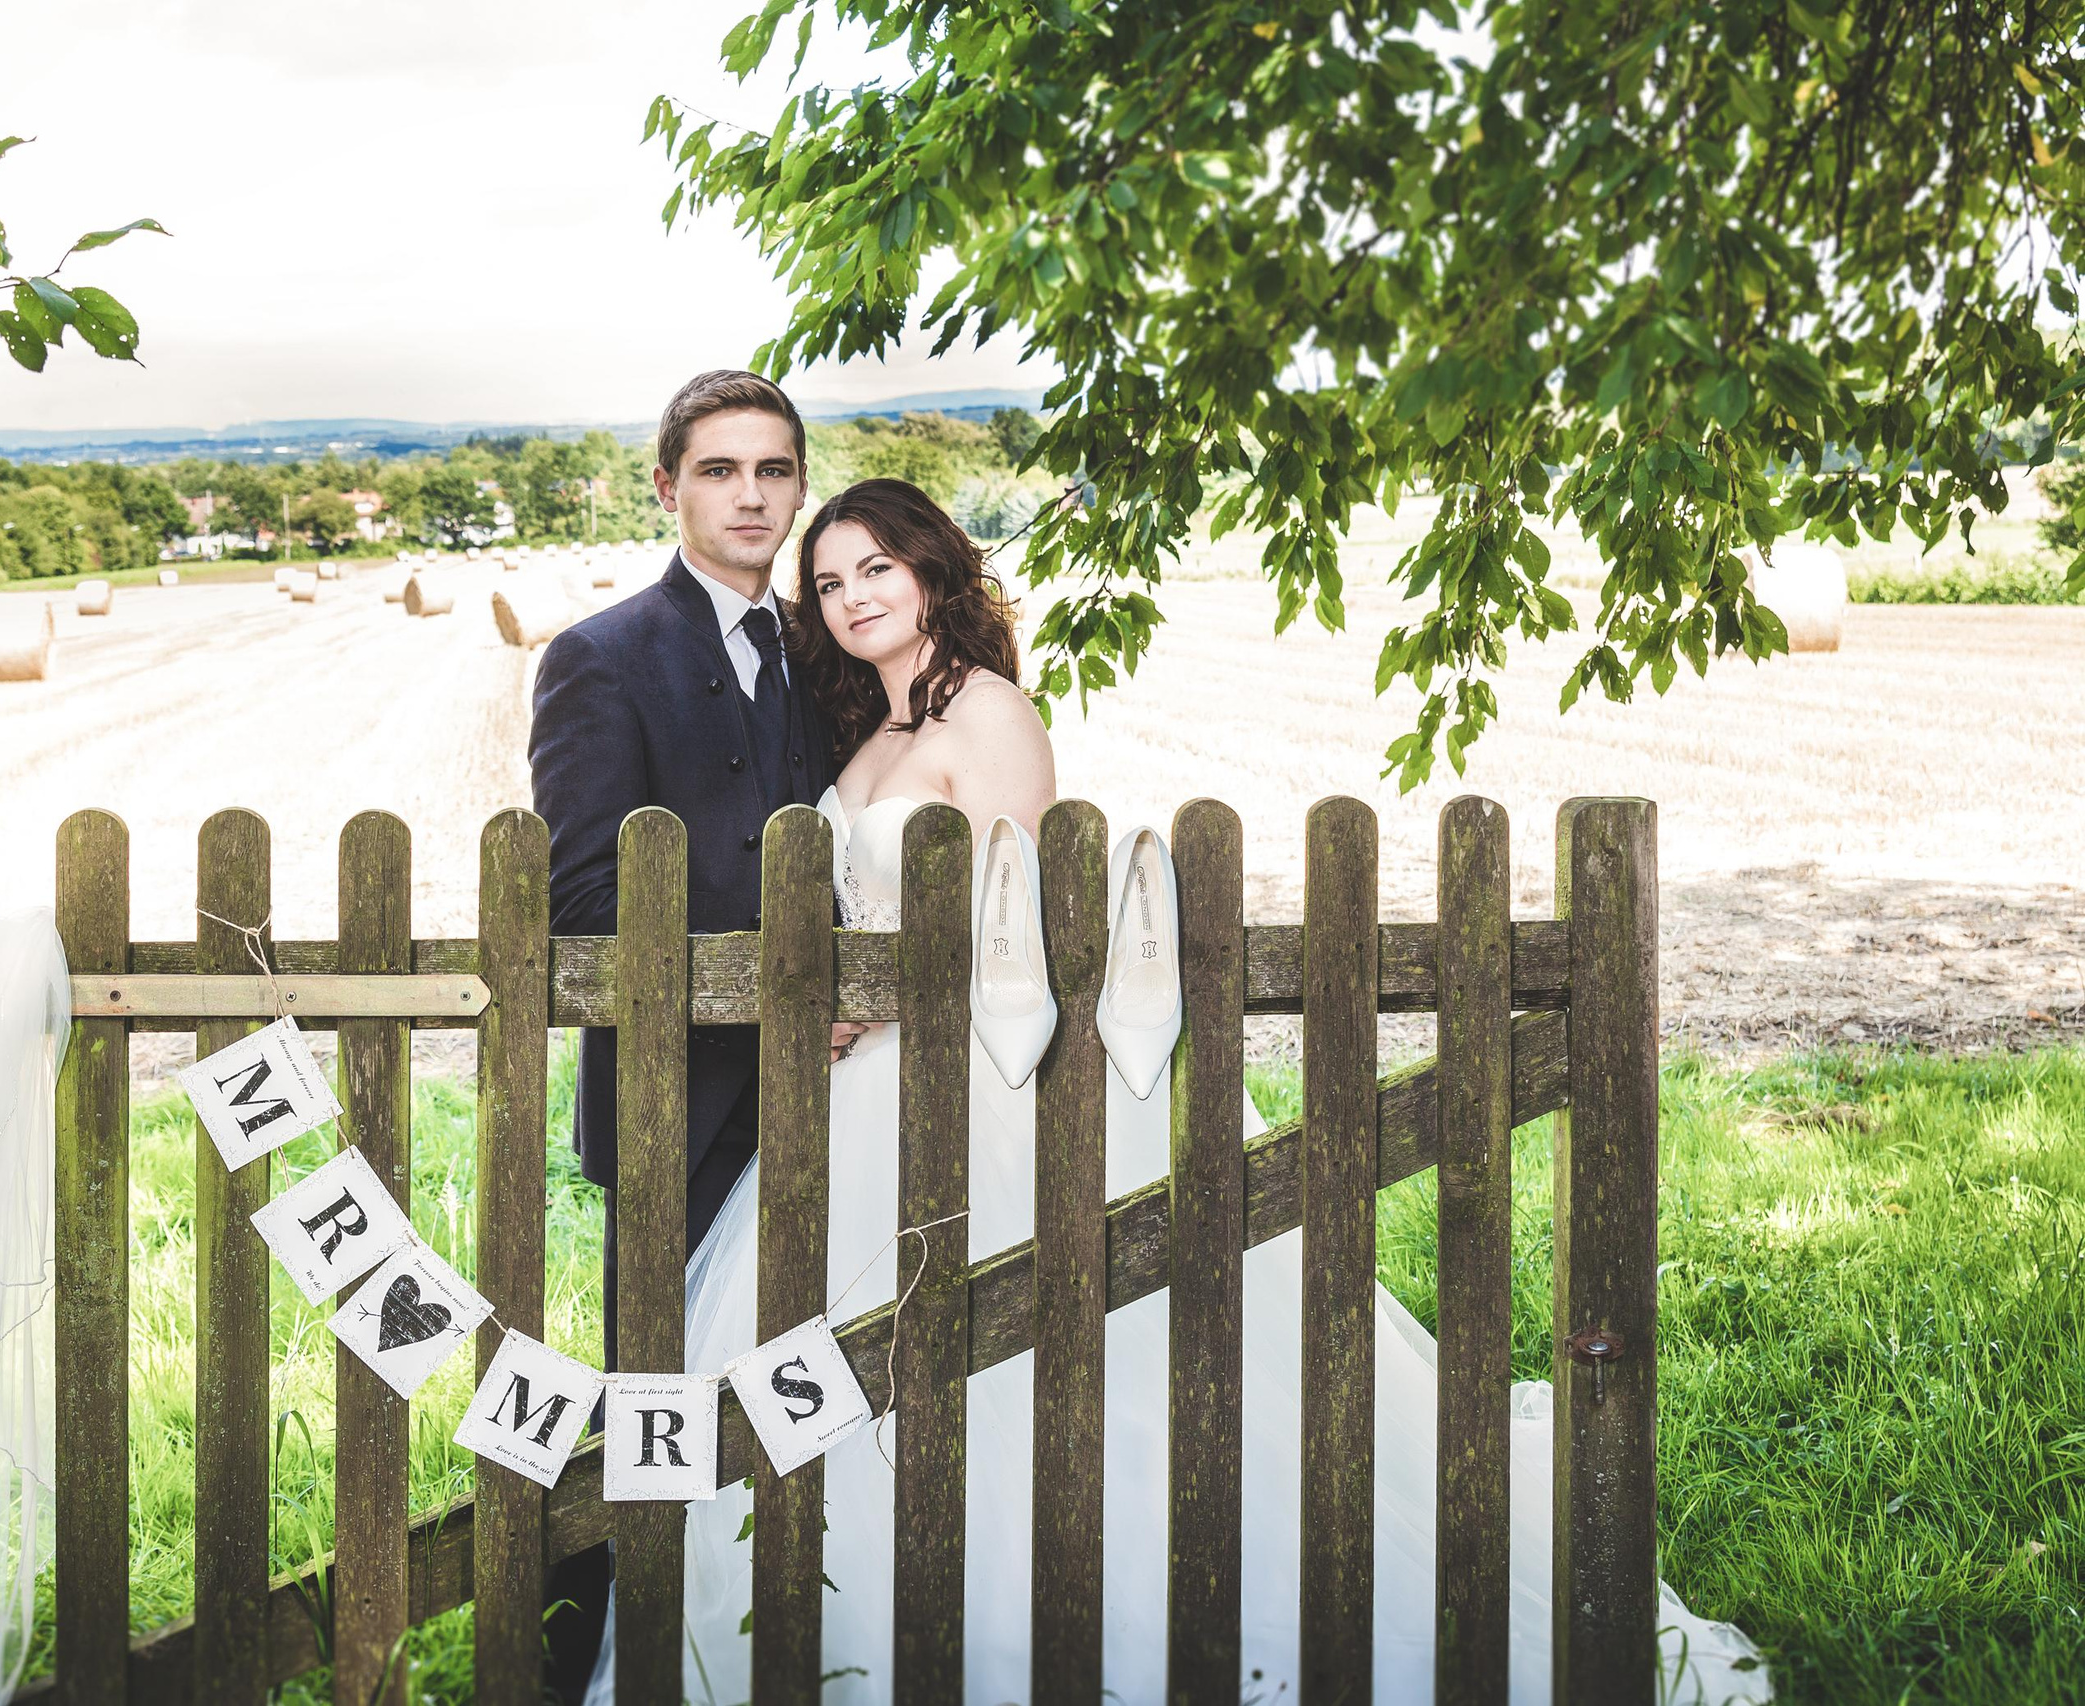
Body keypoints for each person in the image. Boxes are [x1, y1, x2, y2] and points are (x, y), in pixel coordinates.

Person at [583, 478, 1773, 1704]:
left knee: (1058, 1348)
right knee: (856, 1354)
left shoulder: (987, 713)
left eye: (876, 567)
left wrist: (876, 999)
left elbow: (1018, 929)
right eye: (828, 582)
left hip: (990, 1078)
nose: (850, 598)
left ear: (933, 569)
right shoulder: (868, 736)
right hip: (869, 1091)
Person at [527, 369, 841, 1698]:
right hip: (681, 1105)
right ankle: (618, 1653)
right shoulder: (599, 656)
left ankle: (821, 1633)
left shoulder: (830, 655)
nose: (751, 494)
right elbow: (591, 903)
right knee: (666, 1395)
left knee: (838, 1382)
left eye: (774, 469)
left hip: (851, 1103)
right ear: (668, 486)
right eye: (720, 469)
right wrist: (786, 988)